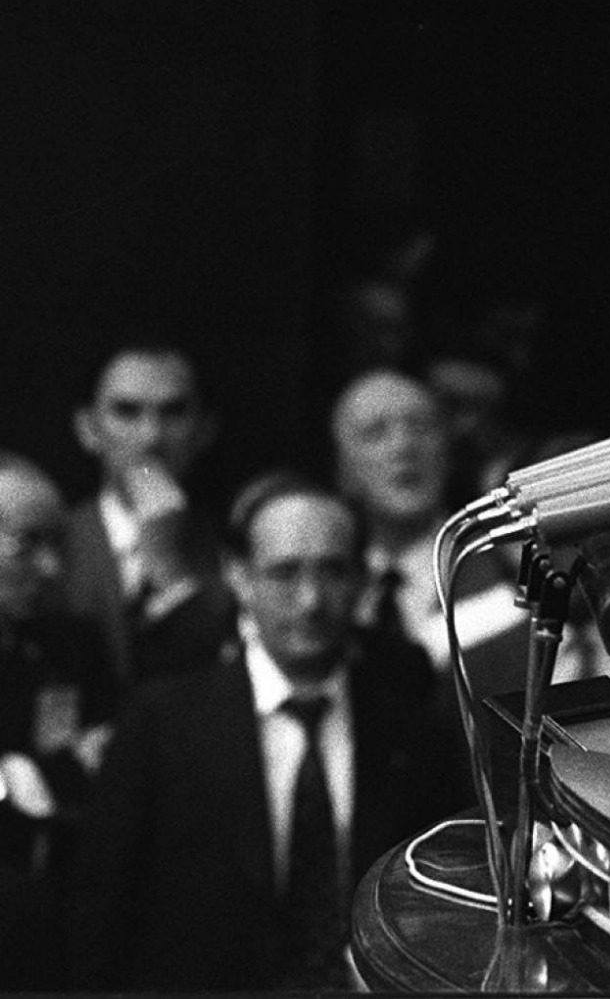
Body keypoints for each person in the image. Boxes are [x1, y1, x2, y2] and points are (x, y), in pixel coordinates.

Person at [69, 473, 465, 990]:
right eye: (283, 573)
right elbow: (101, 912)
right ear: (238, 577)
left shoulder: (409, 722)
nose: (310, 601)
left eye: (332, 572)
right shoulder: (162, 721)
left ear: (363, 579)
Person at [331, 367, 520, 696]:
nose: (404, 446)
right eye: (376, 432)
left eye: (421, 427)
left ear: (447, 452)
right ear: (343, 469)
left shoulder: (507, 571)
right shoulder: (331, 584)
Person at [0, 453, 115, 989]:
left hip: (52, 907)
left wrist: (36, 775)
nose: (50, 567)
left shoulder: (73, 643)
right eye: (27, 544)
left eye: (57, 545)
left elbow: (107, 754)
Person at [63, 340, 236, 684]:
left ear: (205, 430)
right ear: (88, 429)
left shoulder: (234, 548)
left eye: (173, 413)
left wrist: (164, 562)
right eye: (126, 412)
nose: (151, 437)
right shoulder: (53, 544)